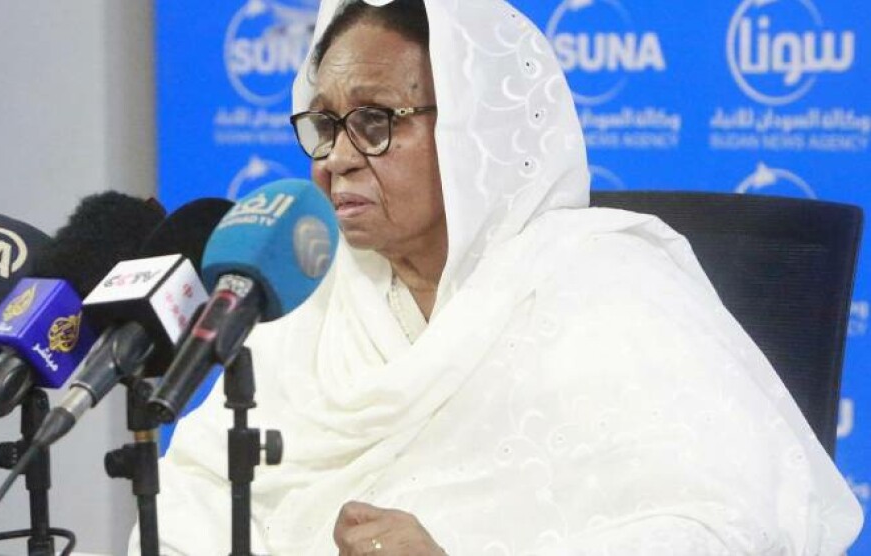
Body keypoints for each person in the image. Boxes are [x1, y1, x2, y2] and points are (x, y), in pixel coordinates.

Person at [131, 0, 864, 553]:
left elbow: (722, 530)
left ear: (474, 129)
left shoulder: (605, 286)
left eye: (376, 121)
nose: (337, 160)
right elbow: (192, 500)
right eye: (324, 125)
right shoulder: (305, 296)